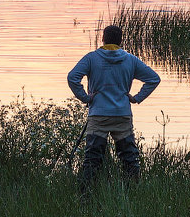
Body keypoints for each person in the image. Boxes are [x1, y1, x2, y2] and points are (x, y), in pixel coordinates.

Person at [67, 24, 160, 193]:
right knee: (129, 159)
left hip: (98, 116)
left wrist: (85, 98)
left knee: (92, 159)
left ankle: (85, 197)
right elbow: (154, 79)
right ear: (121, 41)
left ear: (102, 39)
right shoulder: (130, 60)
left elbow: (72, 78)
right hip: (122, 116)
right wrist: (136, 98)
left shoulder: (91, 58)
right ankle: (133, 193)